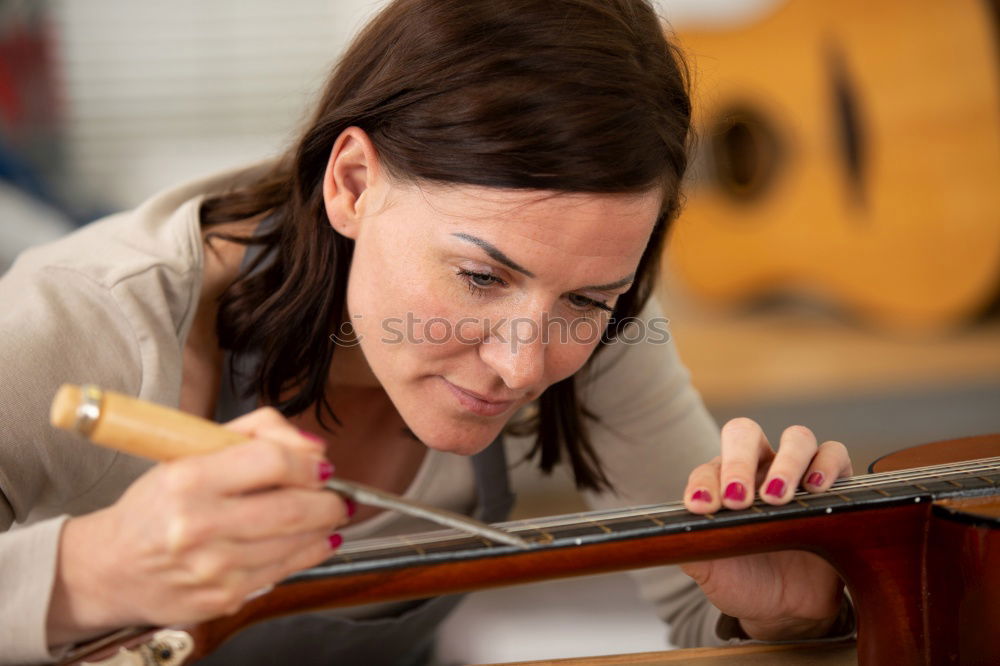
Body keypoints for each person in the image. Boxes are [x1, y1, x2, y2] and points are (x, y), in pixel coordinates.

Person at [0, 0, 855, 663]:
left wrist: (784, 611)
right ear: (353, 182)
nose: (523, 364)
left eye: (591, 300)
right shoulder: (88, 321)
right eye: (482, 277)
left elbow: (702, 616)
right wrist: (96, 567)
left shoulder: (586, 312)